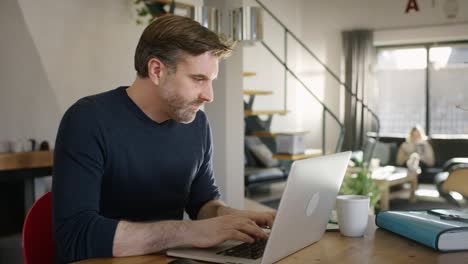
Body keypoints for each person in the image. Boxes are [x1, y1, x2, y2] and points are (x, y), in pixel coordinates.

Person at [52, 15, 274, 263]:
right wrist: (190, 232)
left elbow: (202, 202)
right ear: (156, 70)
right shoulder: (88, 120)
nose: (209, 95)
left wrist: (234, 219)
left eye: (211, 81)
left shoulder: (196, 123)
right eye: (198, 79)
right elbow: (75, 235)